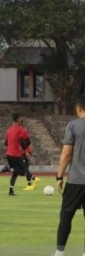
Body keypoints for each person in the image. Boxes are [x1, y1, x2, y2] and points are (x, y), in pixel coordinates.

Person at [53, 94, 85, 256]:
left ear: (79, 108)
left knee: (66, 214)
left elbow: (66, 154)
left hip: (76, 180)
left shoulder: (73, 125)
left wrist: (59, 177)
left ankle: (60, 252)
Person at [4, 113, 37, 196]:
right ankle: (9, 168)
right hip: (16, 155)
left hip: (8, 154)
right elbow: (27, 142)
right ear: (18, 119)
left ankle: (11, 190)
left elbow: (6, 143)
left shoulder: (8, 130)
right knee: (22, 172)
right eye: (21, 118)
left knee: (15, 173)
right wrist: (26, 152)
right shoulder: (21, 130)